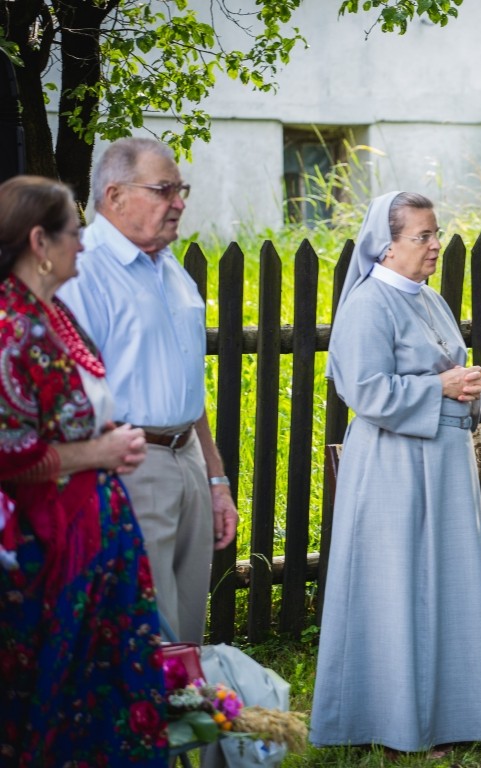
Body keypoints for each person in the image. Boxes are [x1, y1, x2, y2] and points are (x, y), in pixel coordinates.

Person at [310, 192, 481, 753]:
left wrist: (466, 385)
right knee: (398, 588)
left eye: (436, 233)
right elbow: (364, 391)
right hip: (393, 465)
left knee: (447, 584)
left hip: (444, 460)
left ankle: (453, 716)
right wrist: (442, 386)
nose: (435, 245)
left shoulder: (431, 299)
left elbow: (446, 374)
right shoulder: (367, 305)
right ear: (386, 246)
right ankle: (394, 722)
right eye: (422, 236)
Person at [0, 175, 167, 764]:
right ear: (39, 241)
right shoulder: (10, 327)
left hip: (97, 531)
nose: (84, 242)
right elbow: (9, 454)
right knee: (62, 694)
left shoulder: (52, 316)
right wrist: (98, 453)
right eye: (74, 232)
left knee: (109, 688)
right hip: (48, 547)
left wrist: (107, 442)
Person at [57, 137, 238, 643]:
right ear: (114, 195)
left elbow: (187, 384)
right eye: (164, 190)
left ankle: (186, 697)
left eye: (181, 190)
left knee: (187, 632)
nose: (179, 203)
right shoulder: (83, 270)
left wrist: (216, 479)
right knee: (142, 634)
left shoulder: (170, 268)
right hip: (128, 465)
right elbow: (69, 396)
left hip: (188, 458)